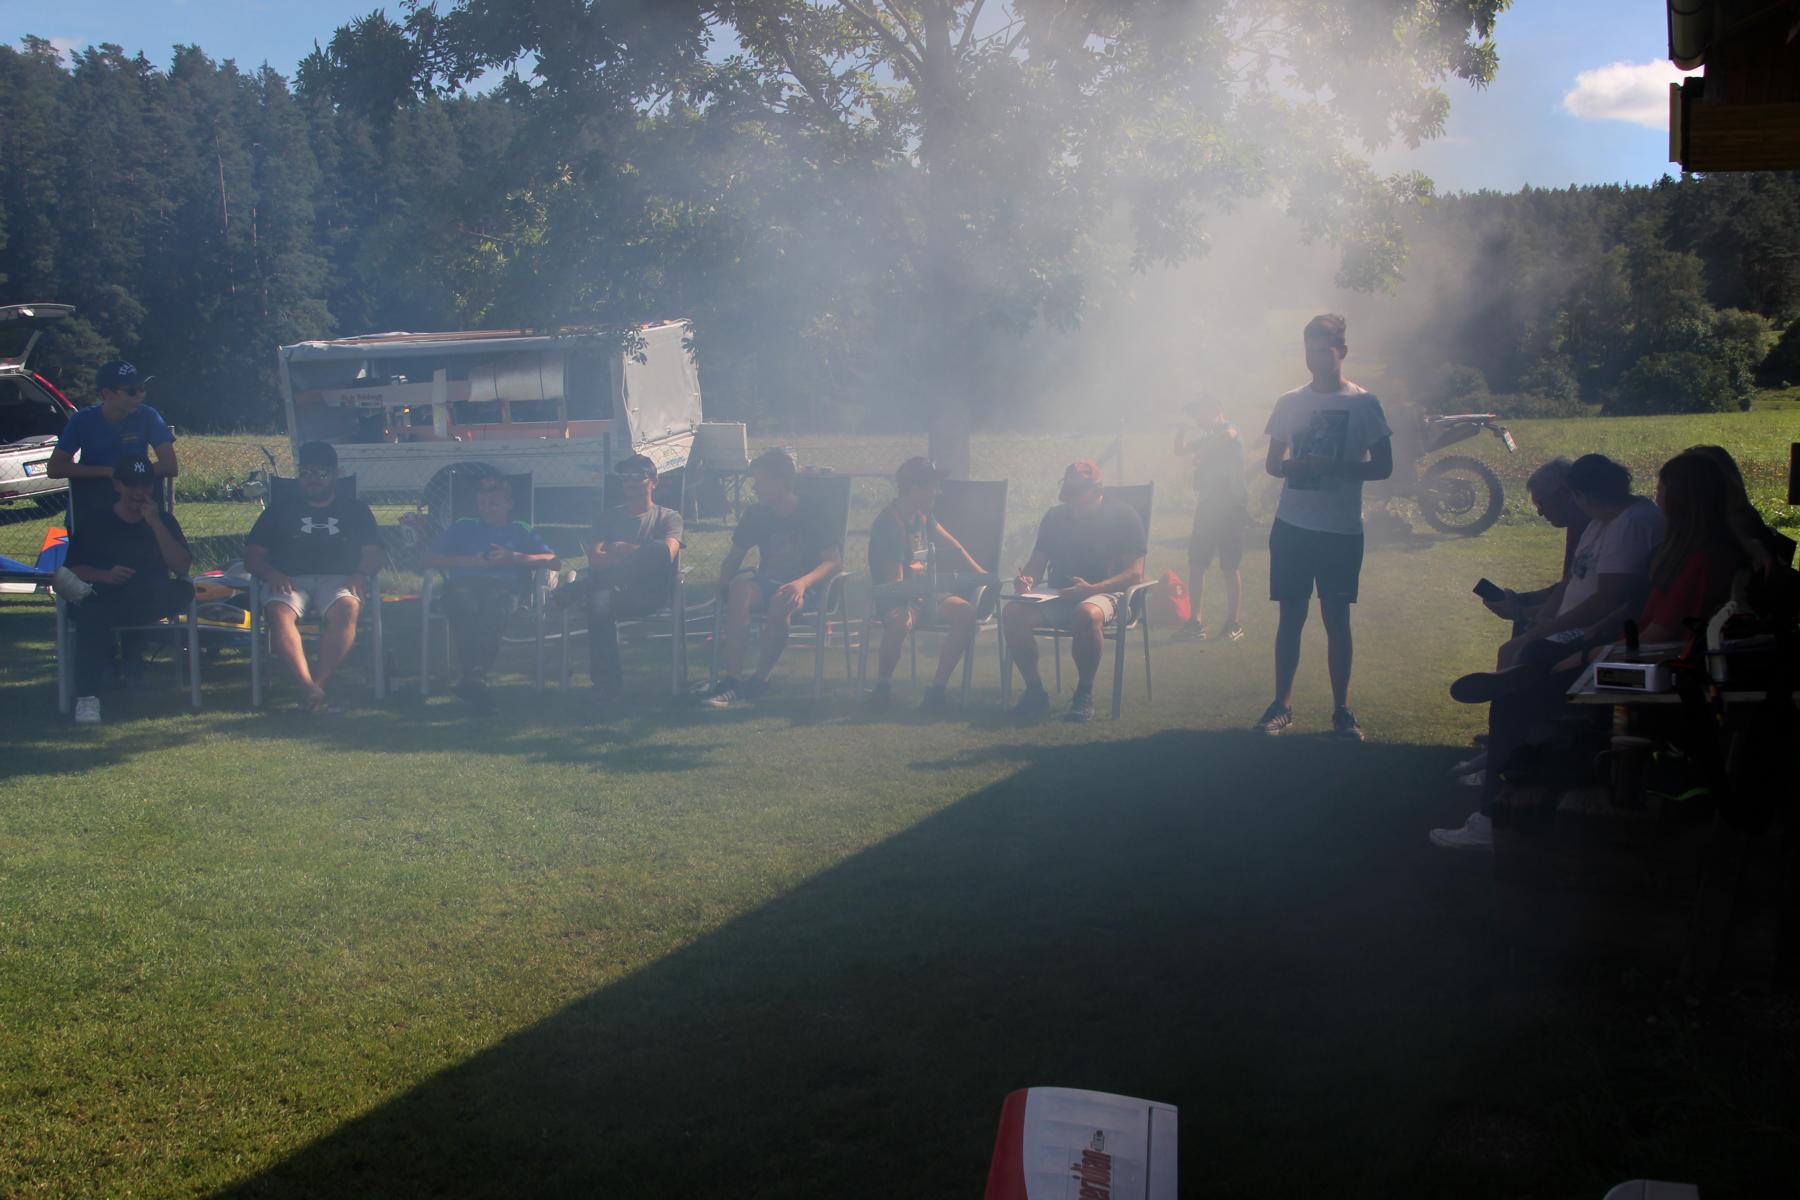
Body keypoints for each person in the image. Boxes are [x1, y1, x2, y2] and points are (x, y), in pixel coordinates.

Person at [1432, 453, 1666, 851]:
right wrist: (1538, 620)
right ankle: (1505, 755)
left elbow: (1609, 600)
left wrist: (1546, 631)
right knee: (1516, 657)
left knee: (1515, 690)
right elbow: (1572, 581)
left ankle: (1494, 808)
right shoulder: (1602, 521)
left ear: (1582, 494)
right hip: (1578, 631)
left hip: (1596, 638)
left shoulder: (1630, 524)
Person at [1255, 313, 1393, 741]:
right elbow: (1273, 463)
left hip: (1340, 528)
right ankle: (1282, 705)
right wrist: (1293, 466)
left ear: (1342, 351)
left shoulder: (1363, 403)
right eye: (1309, 350)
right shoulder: (1289, 402)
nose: (1315, 359)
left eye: (1323, 351)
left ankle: (1342, 711)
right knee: (1290, 615)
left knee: (1336, 617)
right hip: (1293, 524)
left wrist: (1336, 467)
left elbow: (1384, 467)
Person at [1449, 457, 1589, 779]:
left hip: (1584, 625)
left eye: (1542, 504)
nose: (1540, 513)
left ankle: (1507, 741)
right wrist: (1525, 602)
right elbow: (1567, 584)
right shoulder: (1580, 526)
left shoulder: (1588, 528)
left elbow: (1577, 591)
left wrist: (1527, 611)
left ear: (1564, 494)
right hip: (1573, 615)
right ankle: (1505, 735)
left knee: (1517, 648)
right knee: (1521, 631)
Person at [244, 441, 385, 713]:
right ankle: (308, 686)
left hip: (340, 579)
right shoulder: (280, 509)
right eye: (306, 473)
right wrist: (270, 573)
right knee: (278, 611)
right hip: (288, 579)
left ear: (336, 473)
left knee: (348, 608)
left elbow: (374, 554)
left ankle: (315, 686)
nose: (312, 480)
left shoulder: (355, 510)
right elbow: (253, 556)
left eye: (321, 473)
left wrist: (360, 574)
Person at [1002, 460, 1147, 724]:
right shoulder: (1054, 517)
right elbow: (1036, 564)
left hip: (1109, 593)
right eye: (1069, 494)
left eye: (1077, 494)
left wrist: (1092, 589)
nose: (1072, 502)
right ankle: (1035, 692)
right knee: (1013, 613)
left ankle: (1084, 694)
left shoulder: (1124, 516)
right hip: (1060, 594)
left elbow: (1135, 573)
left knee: (1086, 614)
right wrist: (1026, 580)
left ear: (1097, 490)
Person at [61, 454, 194, 724]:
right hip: (103, 597)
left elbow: (182, 567)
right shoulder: (96, 520)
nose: (139, 492)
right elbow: (72, 569)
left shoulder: (163, 520)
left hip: (147, 596)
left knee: (184, 590)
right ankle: (88, 697)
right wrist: (105, 575)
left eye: (145, 485)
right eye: (132, 485)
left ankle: (134, 665)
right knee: (90, 613)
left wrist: (155, 523)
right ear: (117, 485)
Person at [704, 449, 841, 709]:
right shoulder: (756, 514)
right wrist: (723, 586)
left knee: (781, 599)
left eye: (760, 482)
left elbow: (833, 561)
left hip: (807, 587)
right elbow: (734, 557)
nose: (755, 488)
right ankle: (733, 680)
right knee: (740, 590)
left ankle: (760, 680)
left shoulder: (815, 512)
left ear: (780, 482)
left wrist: (802, 583)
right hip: (767, 582)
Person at [419, 469, 558, 714]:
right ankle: (476, 677)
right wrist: (471, 562)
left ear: (509, 504)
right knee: (465, 607)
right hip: (462, 586)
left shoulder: (520, 529)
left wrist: (513, 556)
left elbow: (554, 561)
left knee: (492, 611)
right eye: (482, 503)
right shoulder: (462, 526)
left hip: (502, 588)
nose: (487, 508)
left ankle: (473, 677)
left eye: (494, 503)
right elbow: (428, 559)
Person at [865, 456, 988, 713]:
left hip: (925, 592)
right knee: (899, 621)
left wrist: (984, 575)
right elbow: (896, 584)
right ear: (914, 489)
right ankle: (882, 688)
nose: (939, 492)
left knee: (966, 613)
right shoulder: (890, 525)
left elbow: (954, 546)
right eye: (934, 486)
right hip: (898, 597)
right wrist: (925, 594)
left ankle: (937, 690)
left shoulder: (922, 516)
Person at [573, 453, 684, 711]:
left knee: (598, 597)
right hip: (613, 590)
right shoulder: (607, 517)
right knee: (599, 600)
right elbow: (595, 560)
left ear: (654, 481)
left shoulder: (668, 517)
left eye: (638, 476)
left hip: (650, 593)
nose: (630, 481)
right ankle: (606, 685)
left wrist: (620, 548)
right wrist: (643, 553)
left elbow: (665, 555)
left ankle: (606, 686)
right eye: (625, 477)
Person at [46, 360, 179, 522]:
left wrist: (129, 476)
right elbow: (55, 468)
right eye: (131, 391)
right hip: (91, 513)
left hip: (135, 513)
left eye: (142, 389)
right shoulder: (82, 420)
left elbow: (170, 466)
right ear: (107, 393)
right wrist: (108, 472)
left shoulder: (148, 416)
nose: (140, 395)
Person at [1172, 400, 1248, 643]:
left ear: (1216, 411)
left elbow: (1229, 434)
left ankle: (1233, 623)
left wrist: (1204, 451)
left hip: (1231, 508)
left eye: (1202, 416)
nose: (1200, 421)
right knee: (1197, 563)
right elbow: (1179, 451)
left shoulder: (1229, 429)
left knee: (1230, 566)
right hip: (1207, 508)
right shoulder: (1207, 437)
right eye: (1196, 418)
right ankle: (1195, 622)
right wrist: (1181, 432)